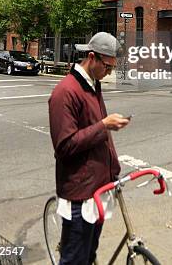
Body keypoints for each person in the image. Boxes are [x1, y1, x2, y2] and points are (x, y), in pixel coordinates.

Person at [48, 32, 130, 265]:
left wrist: (113, 168)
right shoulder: (65, 92)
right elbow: (64, 146)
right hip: (79, 195)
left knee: (89, 256)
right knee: (75, 260)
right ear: (91, 57)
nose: (109, 73)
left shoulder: (92, 84)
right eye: (107, 67)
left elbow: (97, 133)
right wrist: (104, 126)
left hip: (98, 189)